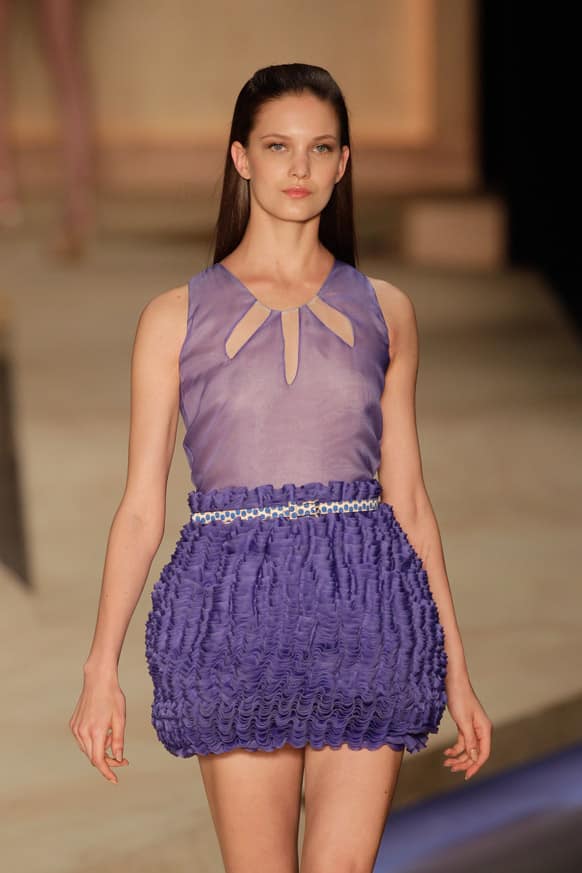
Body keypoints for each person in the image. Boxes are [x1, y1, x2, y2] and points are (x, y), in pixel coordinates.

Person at [69, 63, 492, 873]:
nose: (298, 169)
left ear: (343, 163)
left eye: (319, 148)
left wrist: (458, 669)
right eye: (277, 146)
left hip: (370, 611)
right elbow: (139, 509)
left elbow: (408, 497)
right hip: (230, 617)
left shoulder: (387, 309)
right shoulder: (173, 318)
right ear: (241, 158)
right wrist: (101, 667)